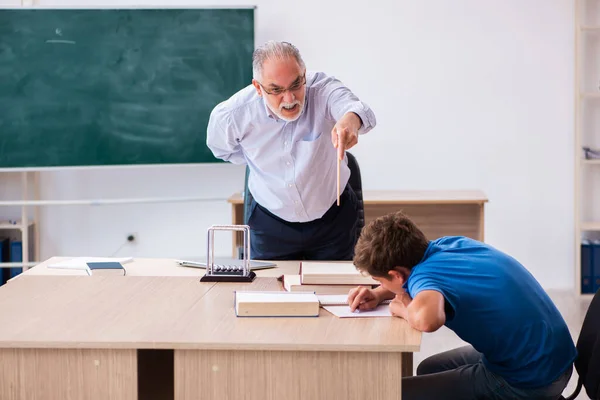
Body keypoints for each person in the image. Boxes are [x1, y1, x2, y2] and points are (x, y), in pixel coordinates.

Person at [348, 211, 577, 400]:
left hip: (529, 380)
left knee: (396, 393)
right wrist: (379, 294)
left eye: (378, 280)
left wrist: (402, 309)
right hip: (552, 358)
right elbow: (417, 280)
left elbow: (428, 320)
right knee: (429, 368)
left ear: (396, 275)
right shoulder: (449, 245)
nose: (378, 285)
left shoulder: (425, 279)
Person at [206, 40, 376, 260]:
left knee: (335, 290)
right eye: (276, 90)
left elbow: (358, 110)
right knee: (268, 291)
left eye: (296, 85)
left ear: (304, 74)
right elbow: (221, 149)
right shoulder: (234, 115)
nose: (289, 98)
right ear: (258, 87)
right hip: (270, 224)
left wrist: (349, 122)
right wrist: (259, 160)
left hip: (333, 220)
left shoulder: (322, 89)